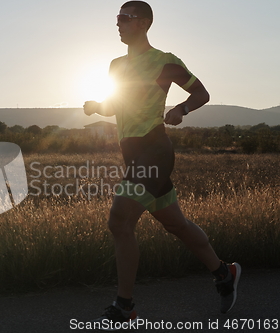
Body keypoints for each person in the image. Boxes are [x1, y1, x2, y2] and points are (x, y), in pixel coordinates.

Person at [83, 1, 240, 329]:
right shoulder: (115, 65)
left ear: (142, 23)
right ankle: (225, 274)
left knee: (119, 222)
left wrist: (181, 109)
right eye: (116, 19)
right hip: (134, 153)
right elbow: (118, 103)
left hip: (154, 151)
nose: (117, 24)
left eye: (123, 18)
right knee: (176, 225)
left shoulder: (165, 62)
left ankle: (124, 307)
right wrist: (99, 105)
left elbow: (201, 93)